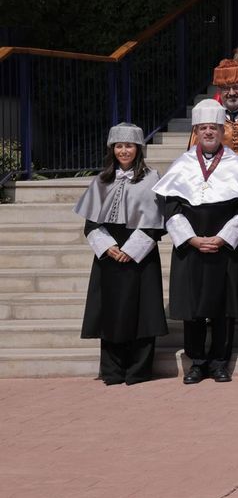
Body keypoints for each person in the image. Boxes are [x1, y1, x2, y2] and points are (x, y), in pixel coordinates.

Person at [154, 100, 238, 384]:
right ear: (196, 131)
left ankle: (220, 362)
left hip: (224, 247)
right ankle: (197, 362)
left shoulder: (237, 164)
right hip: (191, 247)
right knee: (193, 308)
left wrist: (223, 238)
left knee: (223, 309)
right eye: (203, 128)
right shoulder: (182, 163)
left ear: (223, 131)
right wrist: (193, 239)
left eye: (214, 128)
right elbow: (171, 208)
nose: (209, 132)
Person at [77, 124, 166, 385]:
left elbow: (155, 222)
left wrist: (132, 249)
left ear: (138, 149)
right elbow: (91, 224)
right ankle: (112, 370)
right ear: (112, 149)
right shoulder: (101, 179)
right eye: (119, 146)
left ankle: (138, 369)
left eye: (129, 146)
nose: (124, 150)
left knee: (142, 310)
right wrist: (107, 247)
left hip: (140, 253)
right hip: (109, 255)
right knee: (111, 311)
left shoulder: (152, 178)